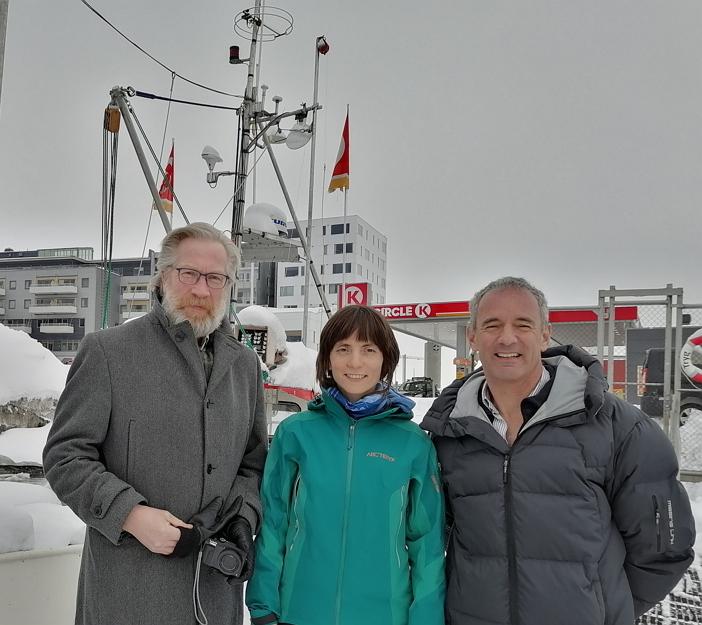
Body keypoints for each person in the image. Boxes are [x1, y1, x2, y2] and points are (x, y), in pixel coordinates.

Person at [421, 276, 695, 625]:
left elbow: (663, 550)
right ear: (473, 336)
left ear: (545, 334)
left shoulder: (617, 427)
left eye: (523, 324)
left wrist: (605, 609)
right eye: (492, 325)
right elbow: (432, 539)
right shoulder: (448, 433)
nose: (507, 338)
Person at [43, 222, 267, 625]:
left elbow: (252, 463)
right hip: (128, 591)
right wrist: (130, 514)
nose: (202, 290)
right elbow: (65, 457)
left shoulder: (245, 366)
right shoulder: (108, 352)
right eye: (189, 274)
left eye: (216, 278)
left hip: (214, 592)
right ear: (162, 277)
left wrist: (242, 518)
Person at [246, 305, 445, 625]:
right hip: (299, 611)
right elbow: (273, 523)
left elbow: (427, 544)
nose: (355, 362)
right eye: (343, 349)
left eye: (368, 349)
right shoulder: (296, 433)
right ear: (327, 358)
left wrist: (426, 617)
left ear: (385, 359)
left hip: (383, 615)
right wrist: (263, 602)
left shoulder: (412, 443)